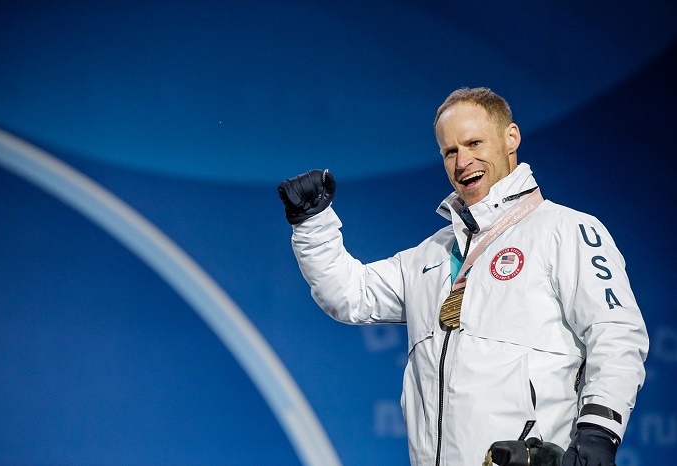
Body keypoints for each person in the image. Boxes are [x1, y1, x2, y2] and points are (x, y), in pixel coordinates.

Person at [277, 87, 648, 465]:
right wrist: (312, 223)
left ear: (511, 138)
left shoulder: (565, 230)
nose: (462, 161)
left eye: (474, 143)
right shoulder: (431, 254)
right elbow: (349, 295)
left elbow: (615, 333)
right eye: (450, 151)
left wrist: (599, 434)